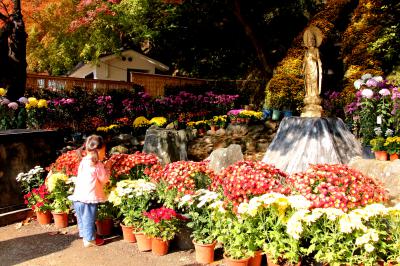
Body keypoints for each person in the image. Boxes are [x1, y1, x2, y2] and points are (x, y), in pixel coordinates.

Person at [69, 135, 110, 247]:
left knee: (82, 218)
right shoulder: (98, 164)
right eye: (104, 151)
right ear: (98, 150)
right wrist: (108, 168)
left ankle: (85, 236)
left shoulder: (84, 161)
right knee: (89, 219)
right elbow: (104, 180)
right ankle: (90, 240)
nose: (104, 154)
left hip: (78, 197)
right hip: (89, 198)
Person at [303, 26, 322, 98]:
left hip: (314, 67)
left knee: (314, 81)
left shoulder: (316, 50)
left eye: (313, 40)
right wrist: (304, 64)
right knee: (308, 81)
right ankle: (308, 94)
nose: (311, 41)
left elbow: (318, 59)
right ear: (307, 42)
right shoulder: (306, 51)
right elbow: (304, 60)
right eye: (310, 40)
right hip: (308, 68)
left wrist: (312, 57)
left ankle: (315, 95)